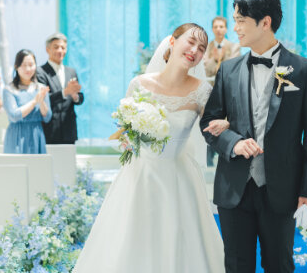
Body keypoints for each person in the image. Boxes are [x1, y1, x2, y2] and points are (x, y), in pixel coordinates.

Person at [74, 24, 226, 273]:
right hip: (139, 176)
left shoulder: (202, 91)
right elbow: (125, 134)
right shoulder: (139, 84)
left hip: (178, 177)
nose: (195, 51)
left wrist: (226, 125)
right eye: (190, 42)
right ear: (173, 42)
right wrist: (130, 141)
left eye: (201, 48)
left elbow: (213, 129)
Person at [201, 0, 307, 273]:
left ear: (265, 22)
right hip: (234, 188)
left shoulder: (305, 70)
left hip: (281, 189)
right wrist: (233, 143)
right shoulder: (228, 70)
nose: (235, 28)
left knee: (279, 265)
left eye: (241, 20)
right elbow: (208, 123)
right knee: (236, 266)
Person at [203, 16, 240, 166]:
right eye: (216, 27)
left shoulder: (234, 47)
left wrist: (222, 60)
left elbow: (233, 69)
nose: (218, 29)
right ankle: (209, 154)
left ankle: (224, 151)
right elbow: (206, 70)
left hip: (228, 91)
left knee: (225, 121)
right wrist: (214, 58)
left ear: (226, 29)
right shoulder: (206, 48)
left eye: (221, 26)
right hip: (209, 91)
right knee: (208, 119)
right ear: (212, 29)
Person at [36, 33, 84, 145]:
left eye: (63, 47)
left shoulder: (71, 71)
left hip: (69, 130)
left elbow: (80, 98)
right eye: (56, 47)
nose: (60, 50)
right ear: (47, 49)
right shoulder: (40, 72)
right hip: (50, 130)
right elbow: (44, 99)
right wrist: (65, 92)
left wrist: (75, 96)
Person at [3, 49, 51, 154]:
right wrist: (34, 101)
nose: (28, 69)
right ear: (16, 66)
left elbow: (47, 117)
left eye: (31, 65)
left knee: (37, 164)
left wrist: (41, 101)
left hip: (36, 135)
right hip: (16, 136)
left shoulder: (41, 88)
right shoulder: (9, 89)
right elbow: (14, 115)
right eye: (24, 65)